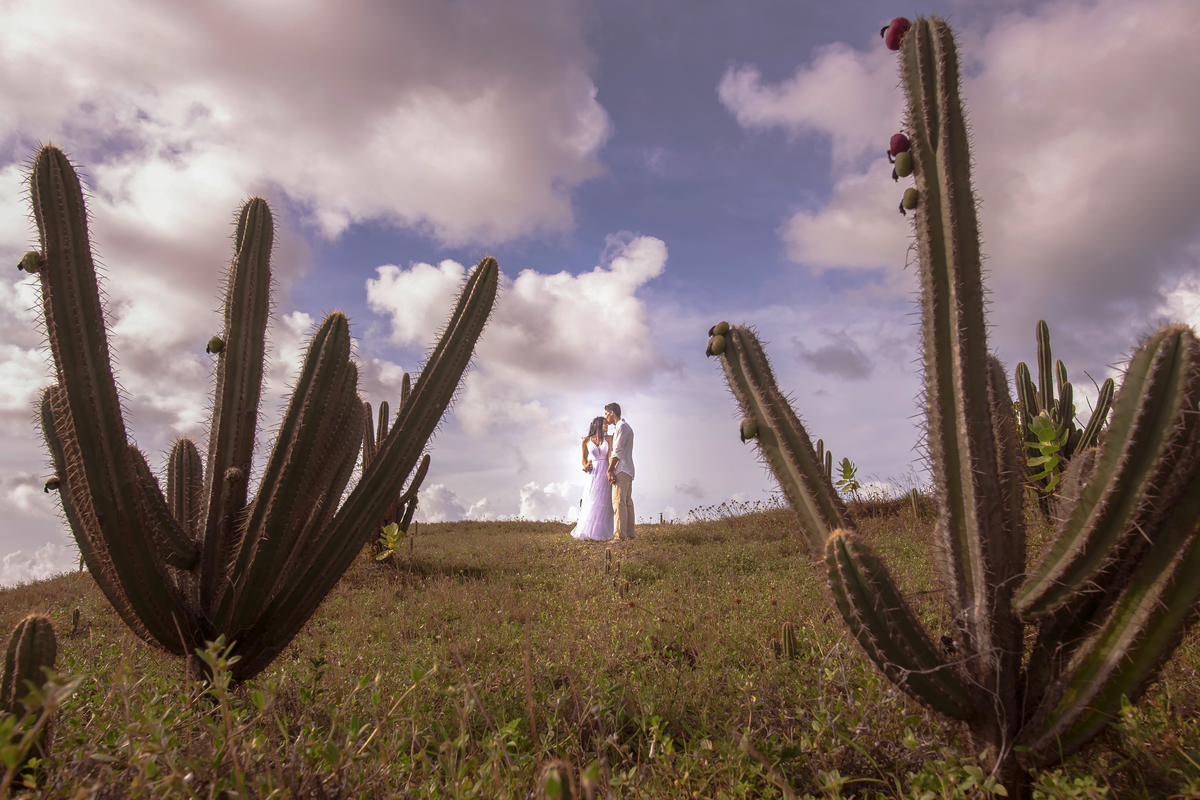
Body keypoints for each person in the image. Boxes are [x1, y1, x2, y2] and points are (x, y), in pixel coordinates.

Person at [569, 416, 615, 541]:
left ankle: (601, 533)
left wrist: (610, 471)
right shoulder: (586, 441)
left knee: (604, 502)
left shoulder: (609, 438)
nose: (607, 425)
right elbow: (584, 459)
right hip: (593, 474)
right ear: (598, 424)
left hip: (605, 471)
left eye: (607, 423)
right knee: (592, 501)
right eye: (604, 423)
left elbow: (610, 456)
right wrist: (586, 466)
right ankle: (588, 532)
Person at [605, 402, 635, 541]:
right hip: (628, 469)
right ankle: (629, 535)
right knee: (627, 502)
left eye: (606, 414)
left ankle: (619, 536)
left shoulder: (621, 427)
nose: (606, 418)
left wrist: (610, 469)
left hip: (622, 469)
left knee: (618, 502)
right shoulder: (626, 427)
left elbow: (617, 450)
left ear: (612, 412)